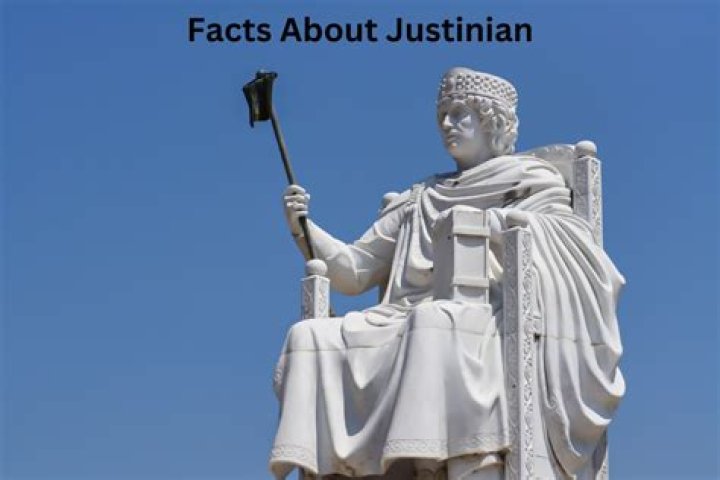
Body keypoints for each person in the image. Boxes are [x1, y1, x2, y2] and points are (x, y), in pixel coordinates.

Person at [270, 67, 625, 480]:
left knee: (430, 321)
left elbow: (572, 243)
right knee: (309, 336)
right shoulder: (420, 197)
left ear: (492, 121)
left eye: (459, 114)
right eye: (442, 115)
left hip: (488, 316)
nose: (447, 124)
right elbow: (354, 270)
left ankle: (434, 464)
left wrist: (490, 225)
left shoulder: (530, 182)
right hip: (403, 320)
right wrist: (303, 228)